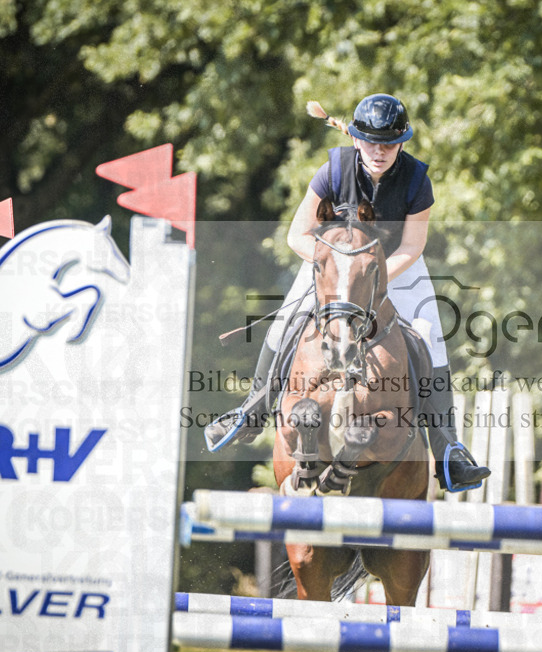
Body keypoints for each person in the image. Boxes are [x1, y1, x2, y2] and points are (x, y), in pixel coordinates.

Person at [204, 93, 490, 492]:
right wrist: (336, 266)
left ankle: (448, 450)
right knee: (285, 321)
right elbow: (296, 235)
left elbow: (413, 245)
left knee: (428, 334)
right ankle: (251, 413)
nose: (379, 150)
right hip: (332, 264)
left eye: (388, 143)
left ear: (401, 143)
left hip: (395, 267)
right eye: (371, 141)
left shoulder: (417, 180)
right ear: (355, 139)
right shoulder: (332, 172)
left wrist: (372, 277)